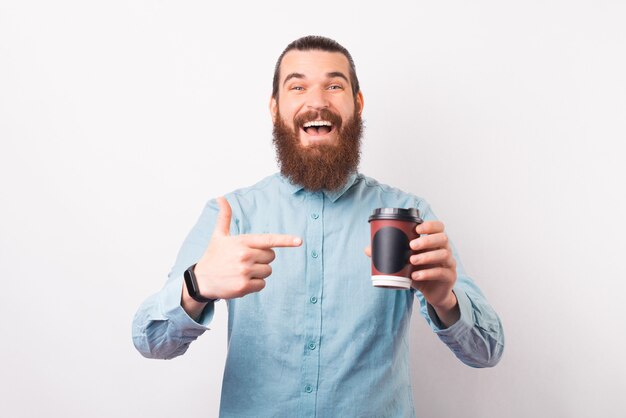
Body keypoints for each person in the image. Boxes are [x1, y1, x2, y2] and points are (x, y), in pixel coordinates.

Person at [132, 35, 504, 417]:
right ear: (275, 109)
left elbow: (487, 352)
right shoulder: (233, 214)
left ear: (357, 105)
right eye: (298, 86)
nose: (317, 101)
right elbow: (152, 341)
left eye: (334, 85)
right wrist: (197, 285)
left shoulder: (407, 215)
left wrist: (445, 300)